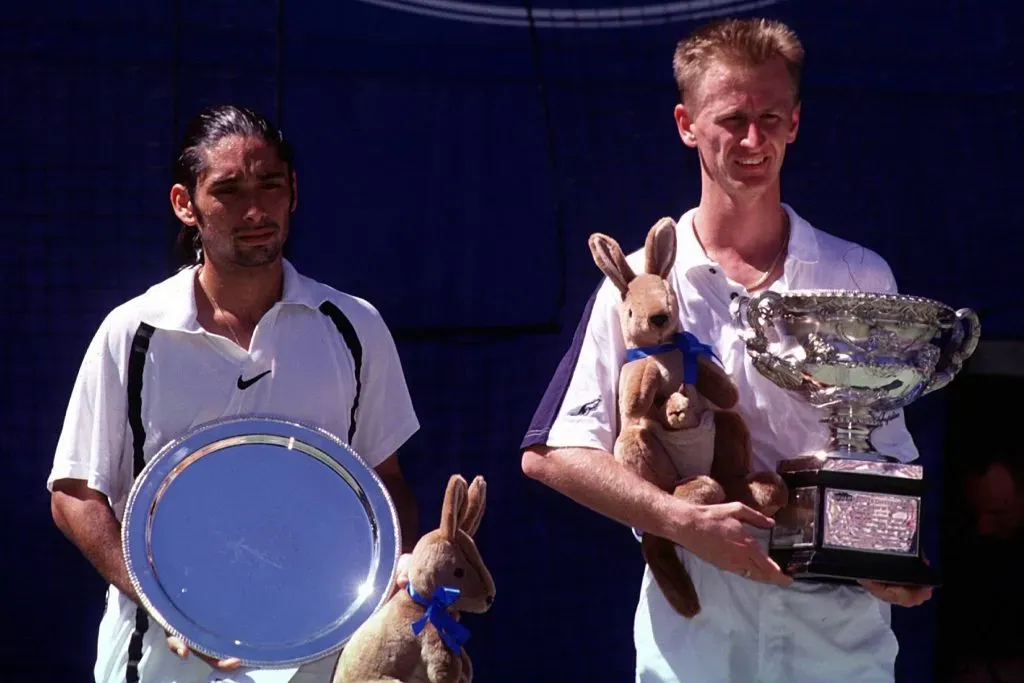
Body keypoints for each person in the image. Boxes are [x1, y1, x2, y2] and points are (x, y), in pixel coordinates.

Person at [520, 17, 932, 683]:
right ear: (686, 123)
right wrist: (679, 519)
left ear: (795, 122)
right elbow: (554, 452)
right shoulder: (636, 286)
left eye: (770, 116)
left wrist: (883, 558)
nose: (752, 138)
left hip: (839, 646)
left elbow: (888, 452)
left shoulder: (861, 277)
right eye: (731, 117)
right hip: (694, 645)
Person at [47, 104, 421, 683]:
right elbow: (74, 492)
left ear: (293, 190)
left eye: (270, 184)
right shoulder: (132, 332)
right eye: (228, 190)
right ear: (185, 204)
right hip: (157, 666)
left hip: (319, 662)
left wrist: (388, 578)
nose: (255, 209)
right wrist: (158, 599)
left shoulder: (356, 327)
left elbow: (384, 481)